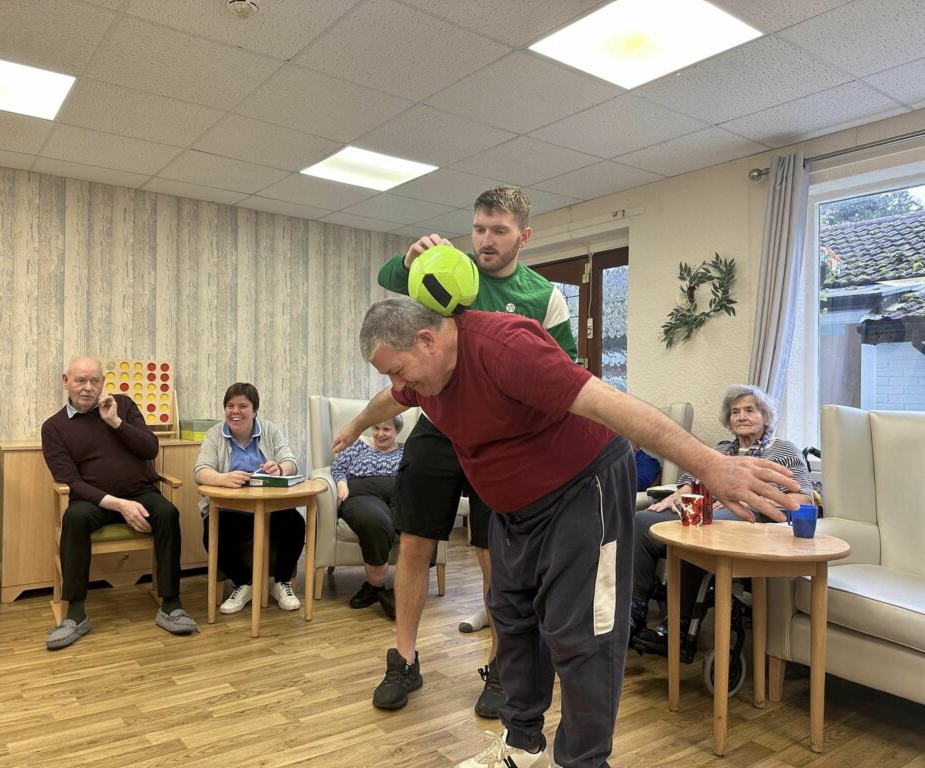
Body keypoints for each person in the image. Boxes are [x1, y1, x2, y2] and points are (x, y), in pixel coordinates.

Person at [334, 298, 798, 768]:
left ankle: (584, 762)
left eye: (397, 371)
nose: (398, 385)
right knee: (512, 619)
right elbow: (390, 399)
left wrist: (711, 465)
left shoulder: (505, 349)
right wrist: (355, 426)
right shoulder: (423, 379)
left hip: (583, 486)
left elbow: (611, 404)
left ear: (427, 340)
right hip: (515, 507)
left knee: (584, 634)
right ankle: (522, 744)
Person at [372, 185, 577, 717]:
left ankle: (501, 667)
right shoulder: (450, 270)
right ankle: (404, 659)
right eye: (479, 229)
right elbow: (389, 278)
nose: (486, 241)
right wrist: (410, 258)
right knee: (414, 543)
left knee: (496, 555)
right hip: (439, 425)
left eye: (499, 231)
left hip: (502, 440)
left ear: (523, 236)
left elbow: (564, 372)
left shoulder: (545, 297)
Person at [630, 384, 814, 657]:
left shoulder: (783, 449)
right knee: (641, 521)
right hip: (706, 512)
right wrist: (677, 497)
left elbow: (805, 499)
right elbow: (689, 484)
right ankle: (632, 615)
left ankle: (679, 629)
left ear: (765, 417)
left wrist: (749, 500)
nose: (741, 416)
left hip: (750, 521)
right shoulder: (721, 450)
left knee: (700, 527)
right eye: (735, 412)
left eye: (750, 410)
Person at [41, 357, 197, 649]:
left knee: (167, 512)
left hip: (140, 493)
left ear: (103, 382)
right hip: (94, 501)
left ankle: (171, 605)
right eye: (80, 380)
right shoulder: (54, 427)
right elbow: (70, 480)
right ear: (66, 382)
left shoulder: (122, 405)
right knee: (74, 518)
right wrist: (120, 505)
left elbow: (150, 448)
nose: (88, 388)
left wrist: (115, 422)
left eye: (95, 381)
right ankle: (75, 614)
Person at [193, 382, 304, 613]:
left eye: (243, 406)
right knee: (213, 531)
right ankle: (243, 583)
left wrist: (279, 469)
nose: (235, 411)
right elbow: (200, 471)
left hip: (269, 508)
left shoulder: (270, 430)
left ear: (255, 410)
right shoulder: (215, 434)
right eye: (230, 406)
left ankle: (282, 583)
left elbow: (291, 462)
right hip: (230, 510)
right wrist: (222, 478)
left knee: (295, 523)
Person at [330, 415, 404, 615]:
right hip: (363, 495)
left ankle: (404, 589)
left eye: (386, 430)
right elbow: (337, 467)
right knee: (375, 522)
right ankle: (375, 586)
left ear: (397, 431)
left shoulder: (406, 451)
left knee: (421, 519)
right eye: (376, 428)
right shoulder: (358, 446)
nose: (380, 434)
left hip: (400, 496)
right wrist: (341, 484)